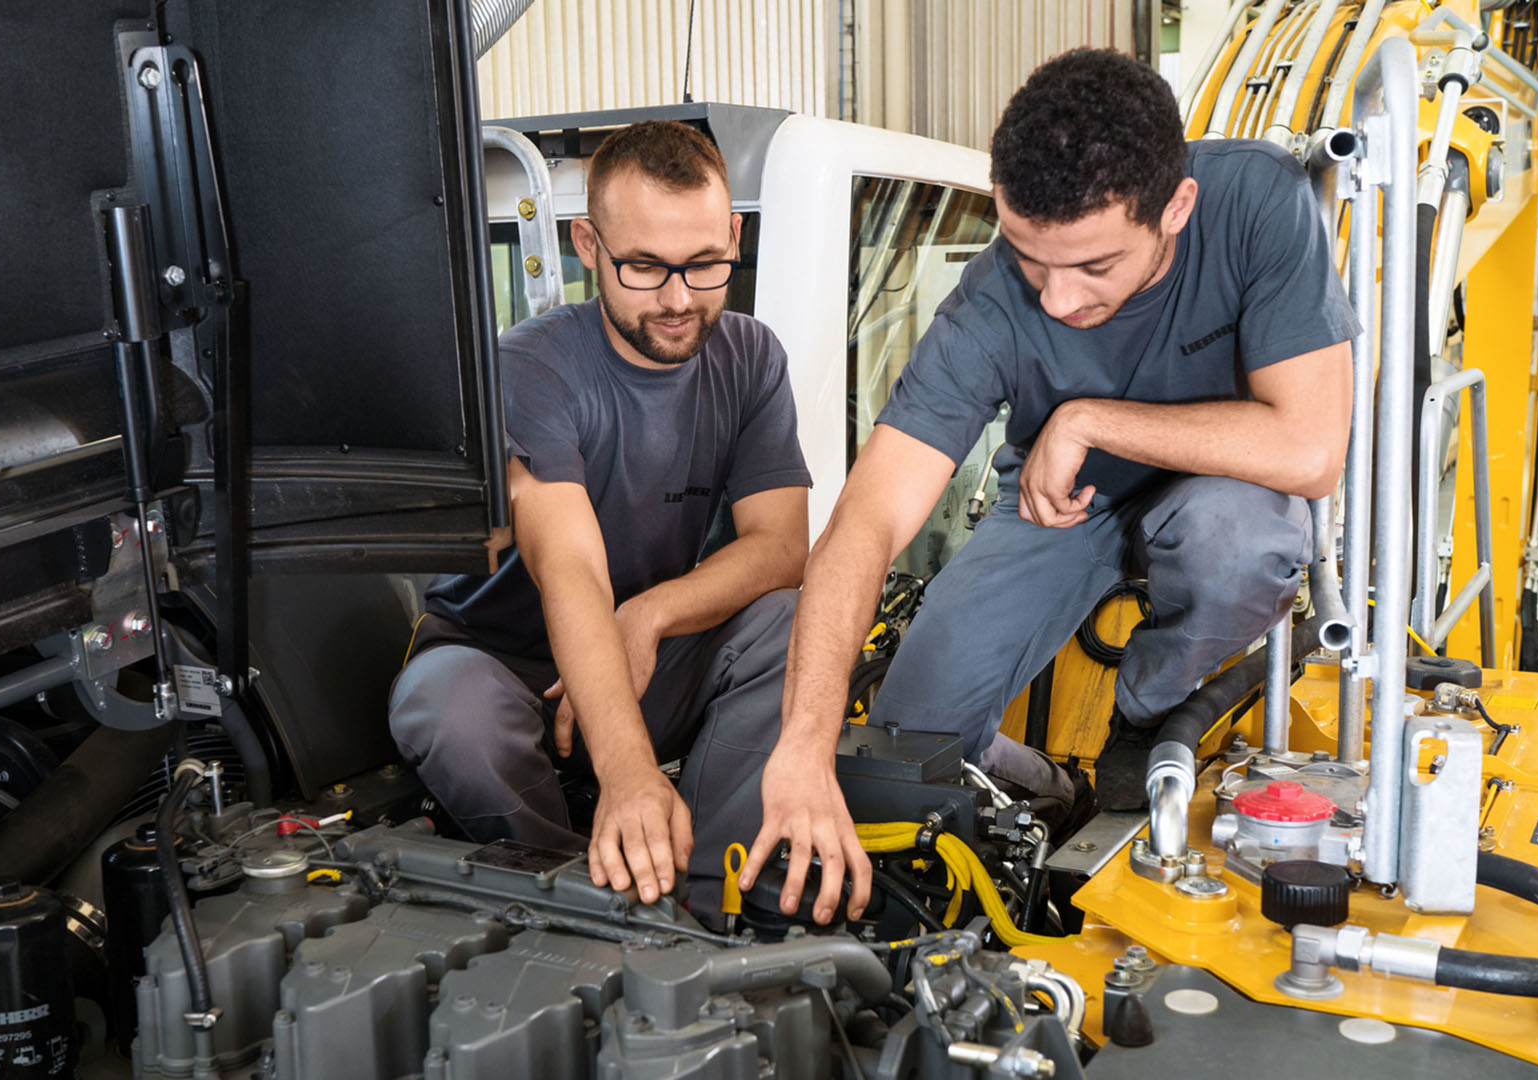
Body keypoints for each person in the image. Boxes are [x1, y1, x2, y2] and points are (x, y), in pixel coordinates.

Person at [740, 47, 1359, 925]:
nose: (1058, 300)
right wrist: (802, 744)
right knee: (908, 740)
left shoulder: (1257, 201)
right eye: (1032, 260)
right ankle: (1048, 794)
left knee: (1238, 540)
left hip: (1225, 488)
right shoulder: (989, 303)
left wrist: (1085, 419)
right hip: (1063, 507)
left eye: (1095, 268)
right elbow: (869, 518)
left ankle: (1144, 722)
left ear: (1175, 208)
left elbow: (1309, 448)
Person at [388, 120, 810, 924]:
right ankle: (579, 910)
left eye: (705, 264)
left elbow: (783, 547)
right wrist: (627, 774)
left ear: (733, 236)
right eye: (645, 267)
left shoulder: (753, 360)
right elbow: (569, 564)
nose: (680, 298)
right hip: (508, 668)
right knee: (449, 707)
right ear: (588, 243)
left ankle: (706, 915)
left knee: (796, 623)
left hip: (646, 660)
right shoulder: (531, 366)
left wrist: (648, 615)